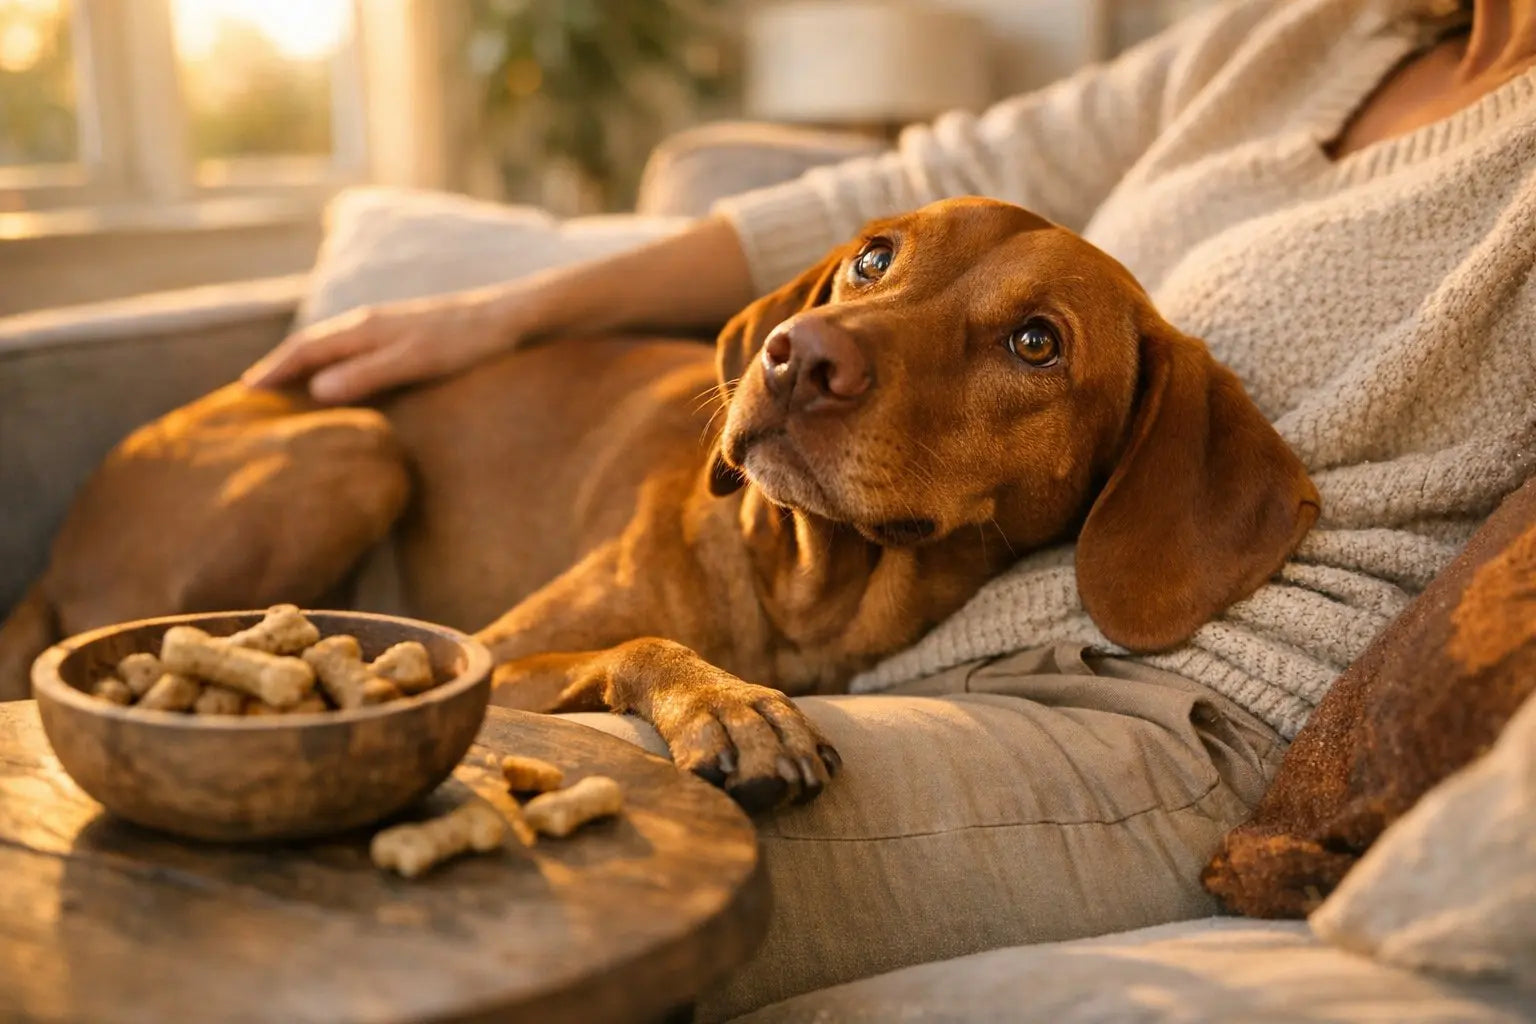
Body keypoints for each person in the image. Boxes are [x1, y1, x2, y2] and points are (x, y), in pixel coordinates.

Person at [245, 0, 1536, 1017]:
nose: (827, 347)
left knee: (457, 841)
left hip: (1170, 701)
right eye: (867, 280)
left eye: (1030, 346)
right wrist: (515, 299)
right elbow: (959, 167)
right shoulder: (1310, 28)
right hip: (906, 650)